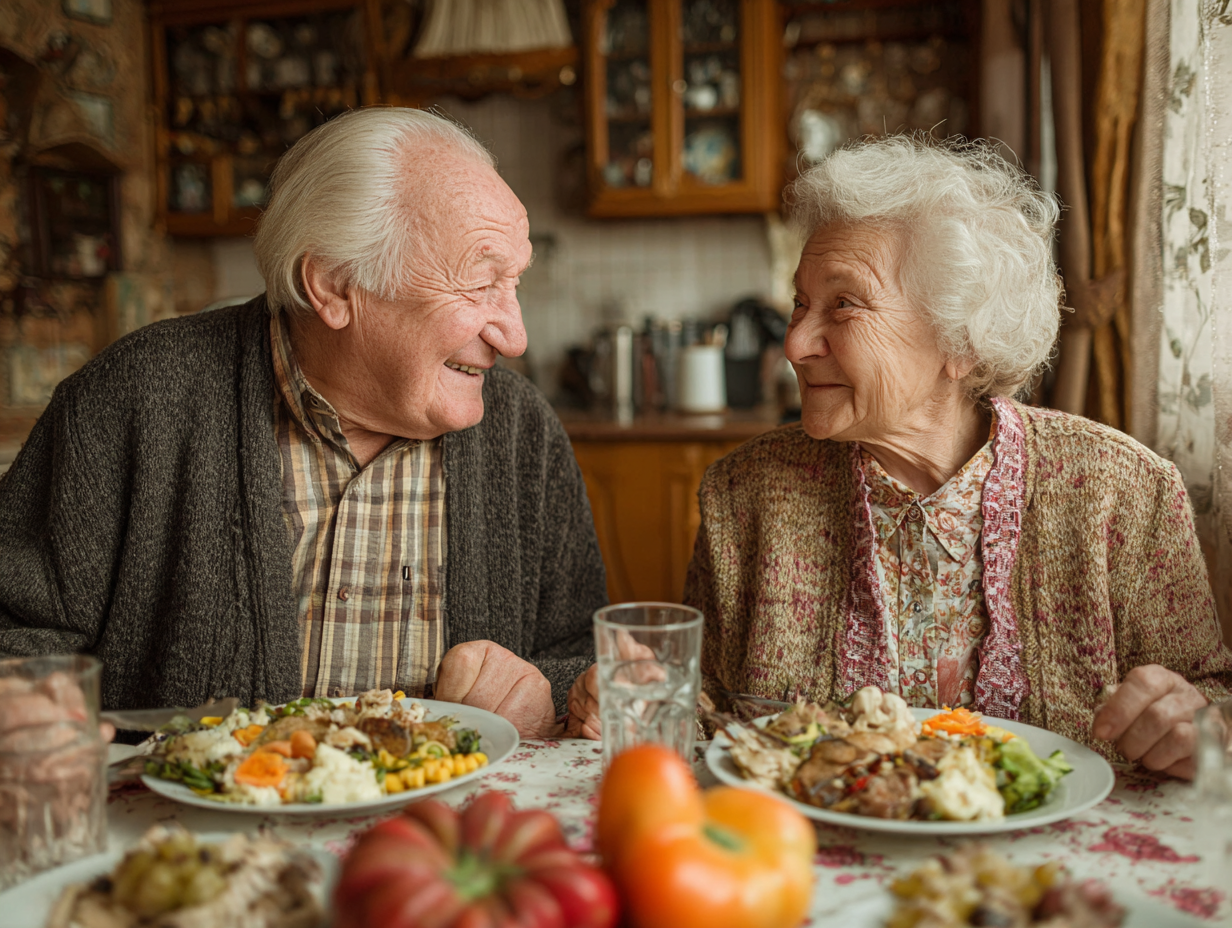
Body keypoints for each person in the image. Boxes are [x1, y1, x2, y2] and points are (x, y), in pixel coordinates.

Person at [0, 108, 607, 739]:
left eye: (514, 284)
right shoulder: (136, 398)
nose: (515, 335)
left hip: (447, 833)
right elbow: (16, 630)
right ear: (334, 286)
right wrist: (27, 705)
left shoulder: (521, 433)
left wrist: (555, 695)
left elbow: (587, 660)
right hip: (189, 836)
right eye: (481, 286)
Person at [684, 135, 1232, 779]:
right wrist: (631, 695)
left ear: (960, 341)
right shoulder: (744, 494)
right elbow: (704, 714)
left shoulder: (1124, 493)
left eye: (844, 304)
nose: (795, 342)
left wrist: (1197, 727)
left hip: (1053, 872)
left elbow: (1209, 700)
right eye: (800, 303)